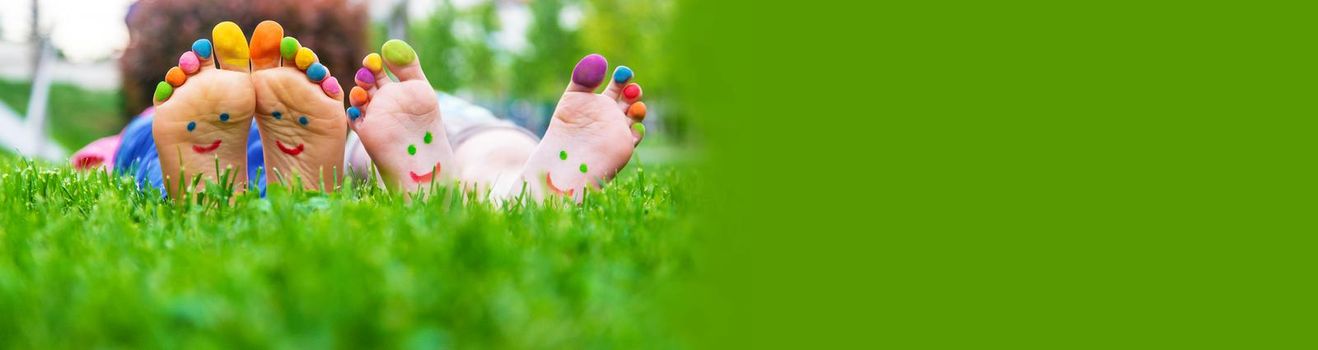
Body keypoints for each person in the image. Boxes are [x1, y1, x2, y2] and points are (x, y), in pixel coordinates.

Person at [72, 21, 648, 202]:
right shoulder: (357, 98)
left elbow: (90, 162)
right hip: (353, 130)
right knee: (474, 133)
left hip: (199, 127)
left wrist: (98, 158)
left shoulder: (172, 101)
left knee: (142, 145)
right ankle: (513, 189)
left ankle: (225, 186)